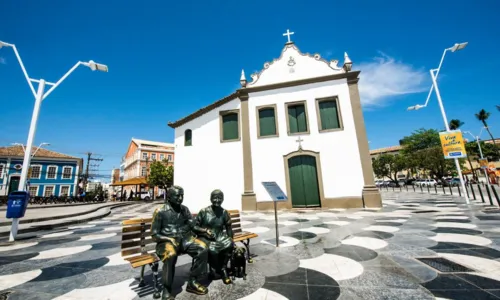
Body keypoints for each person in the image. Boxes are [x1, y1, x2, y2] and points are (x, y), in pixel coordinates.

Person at [151, 185, 209, 300]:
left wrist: (204, 230)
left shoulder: (184, 209)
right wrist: (168, 239)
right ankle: (167, 290)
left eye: (182, 195)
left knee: (203, 248)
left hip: (185, 240)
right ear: (169, 197)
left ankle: (192, 282)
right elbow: (154, 235)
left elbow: (193, 225)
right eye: (177, 196)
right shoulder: (160, 211)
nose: (180, 198)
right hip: (166, 242)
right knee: (171, 255)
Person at [195, 189, 234, 284]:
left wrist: (231, 240)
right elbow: (195, 226)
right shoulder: (203, 211)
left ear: (223, 199)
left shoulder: (224, 212)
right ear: (211, 199)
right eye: (215, 198)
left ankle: (223, 268)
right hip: (205, 237)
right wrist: (204, 232)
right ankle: (215, 270)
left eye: (220, 198)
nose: (217, 200)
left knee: (229, 244)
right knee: (212, 249)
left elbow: (229, 228)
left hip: (219, 236)